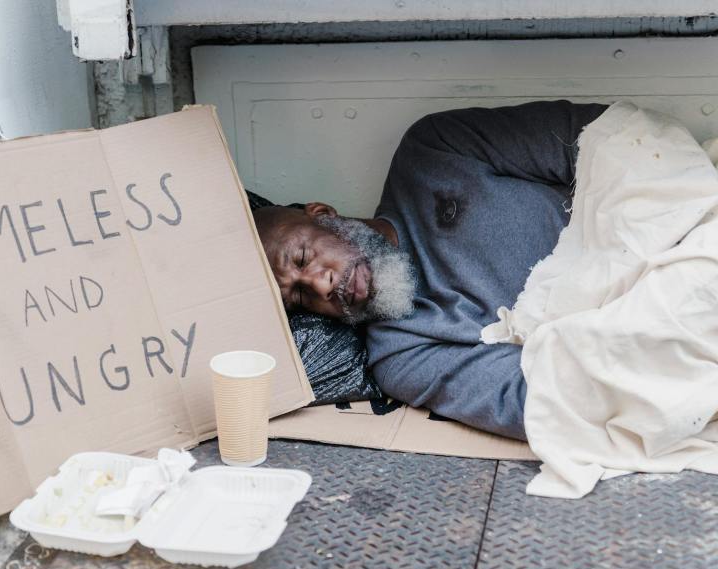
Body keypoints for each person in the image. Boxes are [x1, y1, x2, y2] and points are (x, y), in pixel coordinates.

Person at [253, 101, 607, 440]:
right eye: (299, 297)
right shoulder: (402, 354)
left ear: (323, 214)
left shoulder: (433, 151)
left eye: (301, 258)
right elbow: (544, 400)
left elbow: (600, 140)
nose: (320, 285)